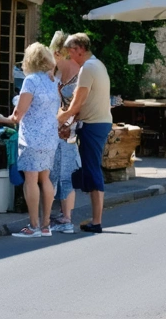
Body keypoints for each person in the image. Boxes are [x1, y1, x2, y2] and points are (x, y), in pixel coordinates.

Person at [57, 33, 112, 233]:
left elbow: (77, 103)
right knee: (90, 169)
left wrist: (58, 121)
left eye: (71, 52)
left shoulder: (88, 68)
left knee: (92, 170)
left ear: (80, 48)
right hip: (98, 122)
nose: (71, 57)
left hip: (93, 124)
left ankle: (96, 221)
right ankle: (95, 219)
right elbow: (83, 103)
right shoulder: (97, 65)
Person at [8, 42, 59, 238]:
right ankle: (46, 225)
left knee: (30, 180)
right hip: (49, 137)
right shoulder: (52, 81)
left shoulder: (30, 81)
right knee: (45, 179)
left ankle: (33, 226)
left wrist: (13, 113)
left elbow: (19, 113)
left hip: (32, 138)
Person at [48, 29, 82, 235]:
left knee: (65, 174)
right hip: (55, 130)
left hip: (69, 131)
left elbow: (80, 106)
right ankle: (59, 217)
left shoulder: (79, 75)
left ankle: (66, 218)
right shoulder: (57, 73)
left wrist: (68, 123)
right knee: (53, 174)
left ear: (60, 53)